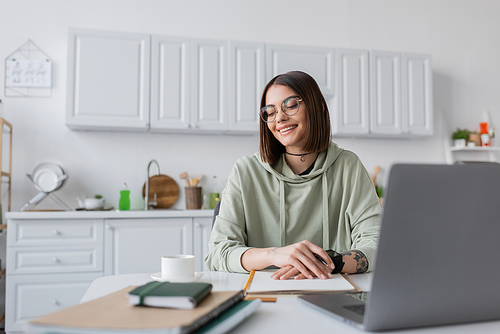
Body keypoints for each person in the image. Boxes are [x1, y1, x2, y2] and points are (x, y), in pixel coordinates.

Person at [205, 71, 381, 280]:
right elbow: (218, 253)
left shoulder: (348, 166)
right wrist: (273, 254)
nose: (279, 117)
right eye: (270, 112)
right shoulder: (245, 171)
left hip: (332, 292)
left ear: (316, 108)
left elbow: (377, 244)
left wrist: (326, 263)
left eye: (290, 105)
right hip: (263, 295)